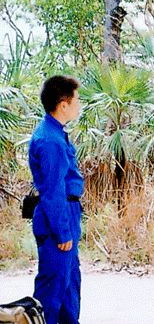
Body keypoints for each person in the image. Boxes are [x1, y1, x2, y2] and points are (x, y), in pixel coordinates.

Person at [29, 75, 84, 324]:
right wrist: (62, 232)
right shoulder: (50, 140)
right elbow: (53, 191)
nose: (79, 105)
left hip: (67, 212)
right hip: (57, 216)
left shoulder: (56, 132)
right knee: (53, 287)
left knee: (70, 282)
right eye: (77, 100)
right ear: (63, 104)